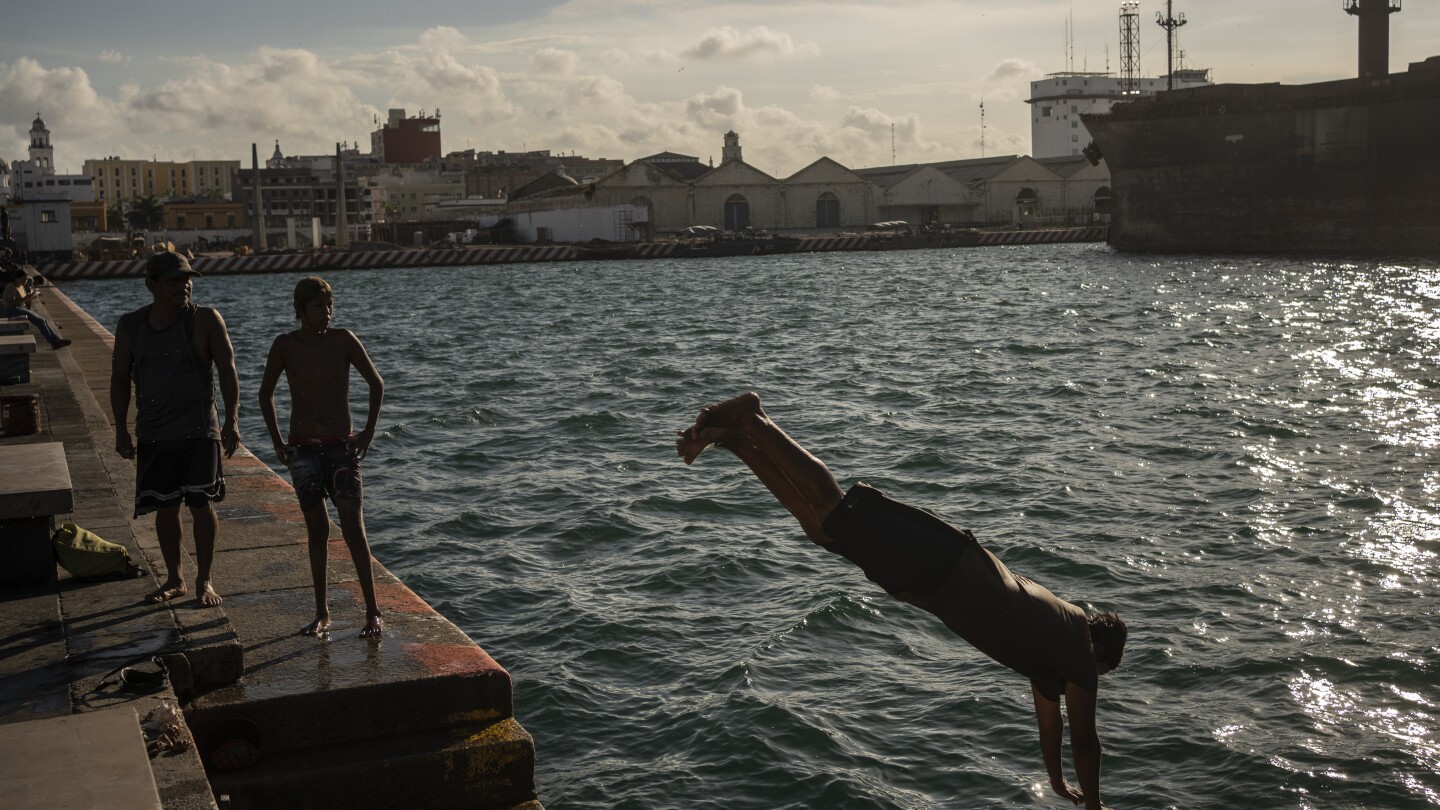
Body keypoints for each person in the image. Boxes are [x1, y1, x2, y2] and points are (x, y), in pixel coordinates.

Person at [677, 393, 1127, 810]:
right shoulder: (1078, 651)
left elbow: (1053, 727)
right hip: (947, 565)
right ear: (1101, 654)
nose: (1085, 688)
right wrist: (1093, 806)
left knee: (823, 531)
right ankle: (753, 418)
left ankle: (739, 442)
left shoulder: (1049, 661)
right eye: (1100, 676)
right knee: (834, 512)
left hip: (936, 583)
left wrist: (1056, 781)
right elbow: (1085, 742)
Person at [110, 252, 240, 606]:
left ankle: (205, 580)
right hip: (154, 433)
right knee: (166, 509)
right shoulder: (130, 326)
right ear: (151, 285)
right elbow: (120, 380)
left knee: (201, 504)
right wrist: (120, 429)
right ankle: (175, 578)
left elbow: (228, 370)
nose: (184, 285)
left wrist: (232, 420)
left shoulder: (206, 320)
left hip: (200, 431)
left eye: (187, 278)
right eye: (173, 280)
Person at [257, 277, 385, 638]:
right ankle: (322, 613)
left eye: (329, 305)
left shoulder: (343, 340)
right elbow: (265, 394)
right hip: (303, 450)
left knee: (353, 529)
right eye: (318, 306)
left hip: (341, 448)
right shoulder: (285, 346)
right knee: (317, 529)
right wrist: (278, 441)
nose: (326, 313)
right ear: (300, 310)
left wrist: (368, 432)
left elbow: (376, 384)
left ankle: (373, 611)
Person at [3, 269, 71, 349]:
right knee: (40, 321)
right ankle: (54, 342)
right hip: (13, 311)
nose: (25, 282)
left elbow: (22, 301)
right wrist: (26, 298)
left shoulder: (21, 287)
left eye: (26, 280)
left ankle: (56, 340)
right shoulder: (11, 288)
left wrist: (30, 298)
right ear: (16, 278)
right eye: (23, 279)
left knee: (43, 320)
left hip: (20, 309)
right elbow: (11, 304)